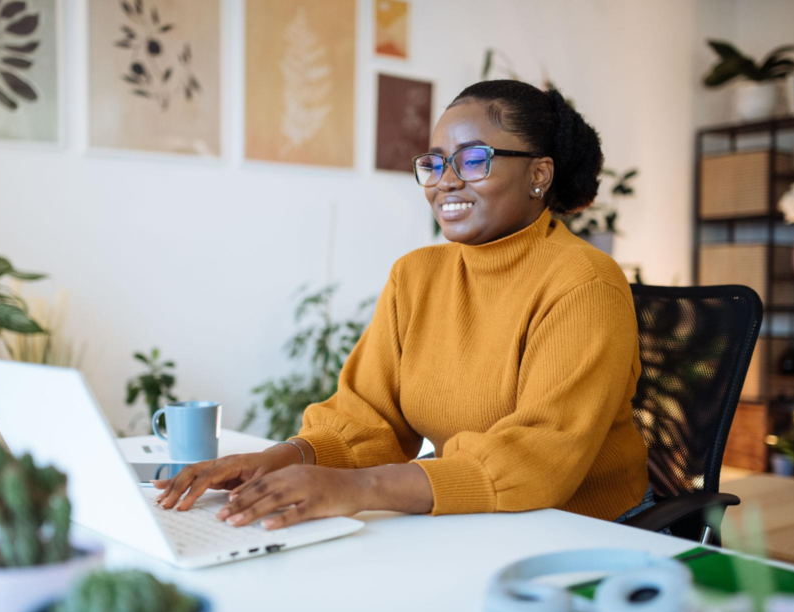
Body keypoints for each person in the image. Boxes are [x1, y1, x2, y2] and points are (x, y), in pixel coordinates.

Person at [154, 80, 650, 529]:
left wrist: (360, 488)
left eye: (473, 160)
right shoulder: (416, 274)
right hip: (479, 524)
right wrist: (282, 458)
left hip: (581, 533)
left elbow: (538, 460)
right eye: (434, 163)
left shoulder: (584, 282)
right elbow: (368, 418)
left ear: (538, 174)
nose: (445, 181)